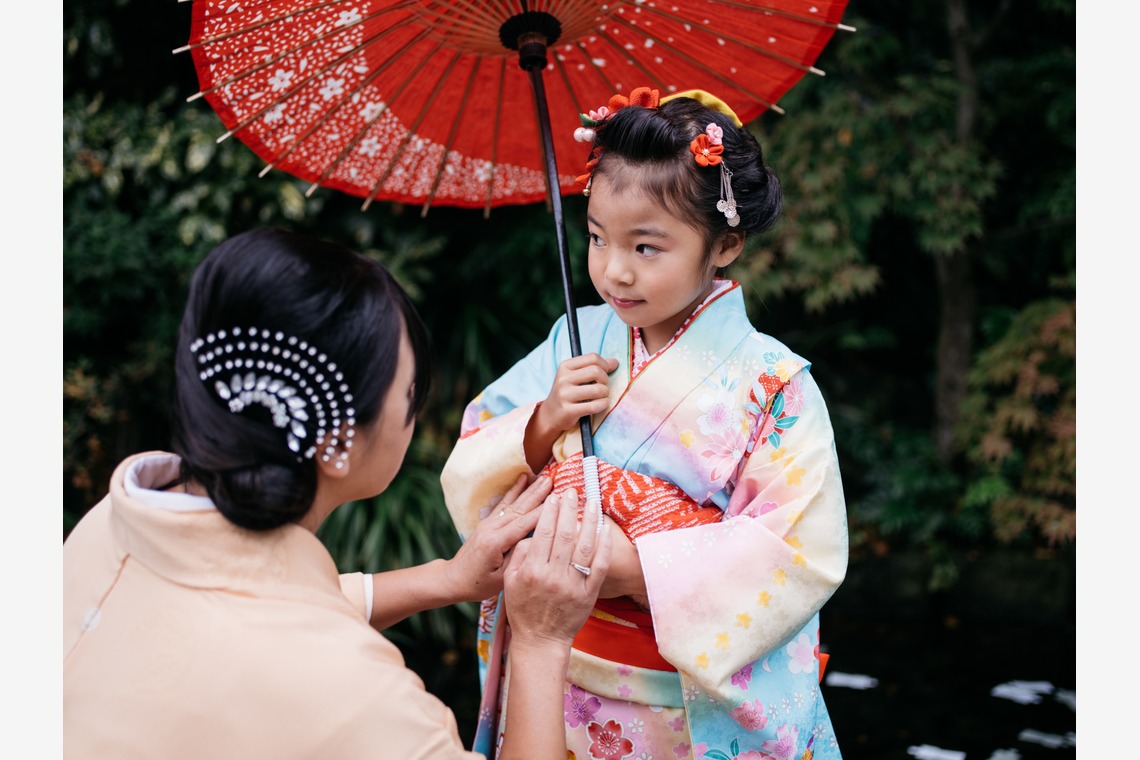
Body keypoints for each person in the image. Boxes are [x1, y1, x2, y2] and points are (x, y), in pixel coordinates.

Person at [62, 227, 612, 760]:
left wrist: (446, 579)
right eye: (408, 393)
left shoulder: (119, 517)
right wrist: (540, 642)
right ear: (334, 444)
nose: (414, 411)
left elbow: (237, 608)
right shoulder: (359, 700)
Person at [441, 88, 850, 759]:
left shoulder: (776, 388)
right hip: (560, 663)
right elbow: (475, 450)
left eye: (647, 247)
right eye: (598, 238)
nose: (613, 270)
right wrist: (541, 423)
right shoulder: (573, 339)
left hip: (678, 701)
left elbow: (800, 555)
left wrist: (632, 567)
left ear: (724, 245)